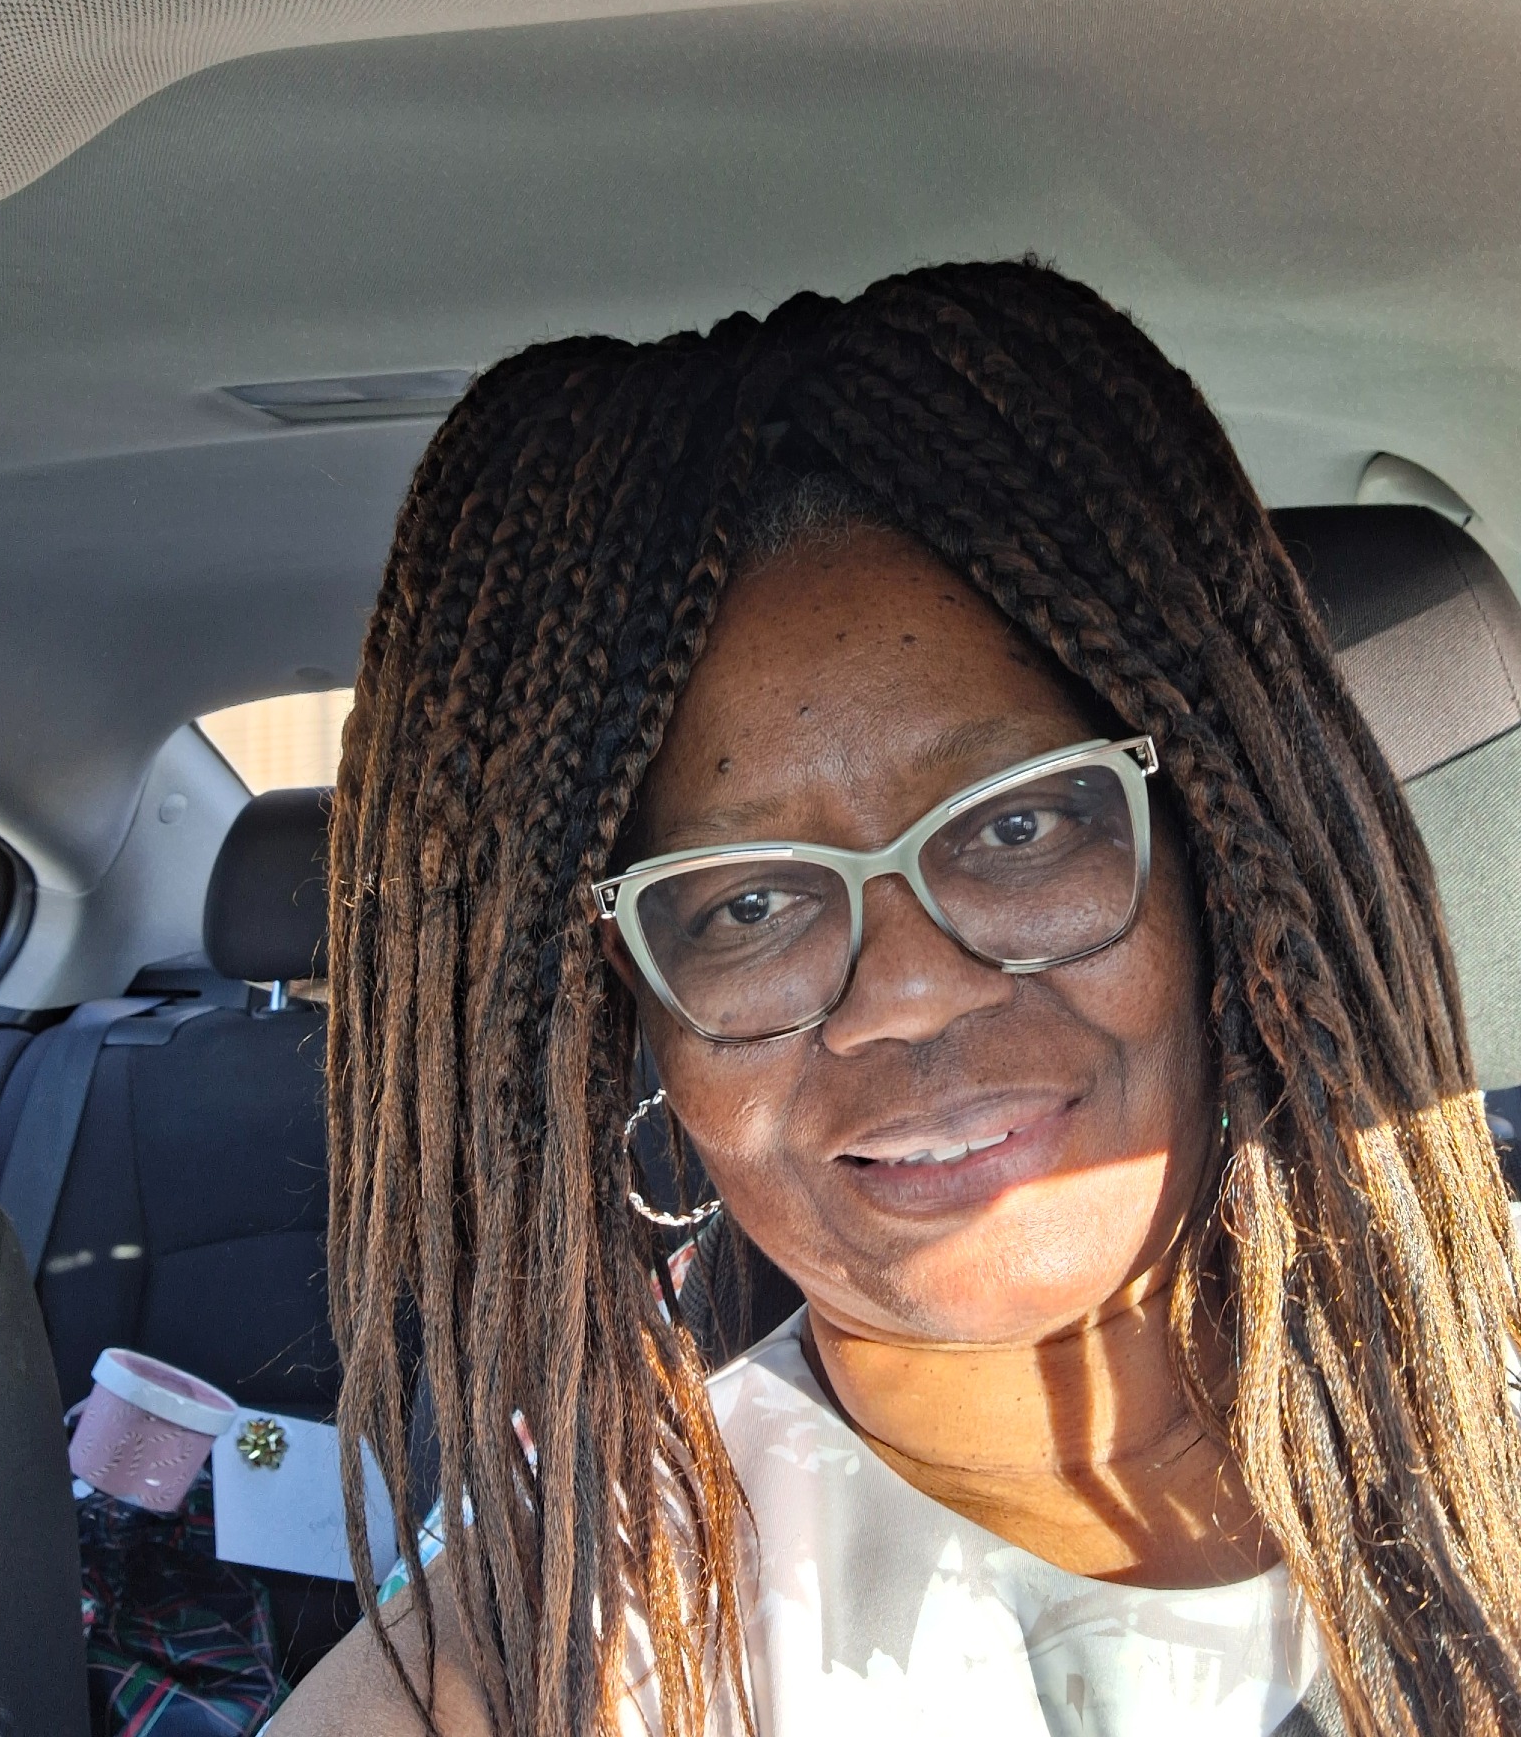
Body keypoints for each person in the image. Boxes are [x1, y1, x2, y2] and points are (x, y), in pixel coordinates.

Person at [275, 261, 1521, 1737]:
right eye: (747, 904)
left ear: (1221, 860)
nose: (911, 992)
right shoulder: (541, 1670)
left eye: (1019, 823)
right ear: (637, 1017)